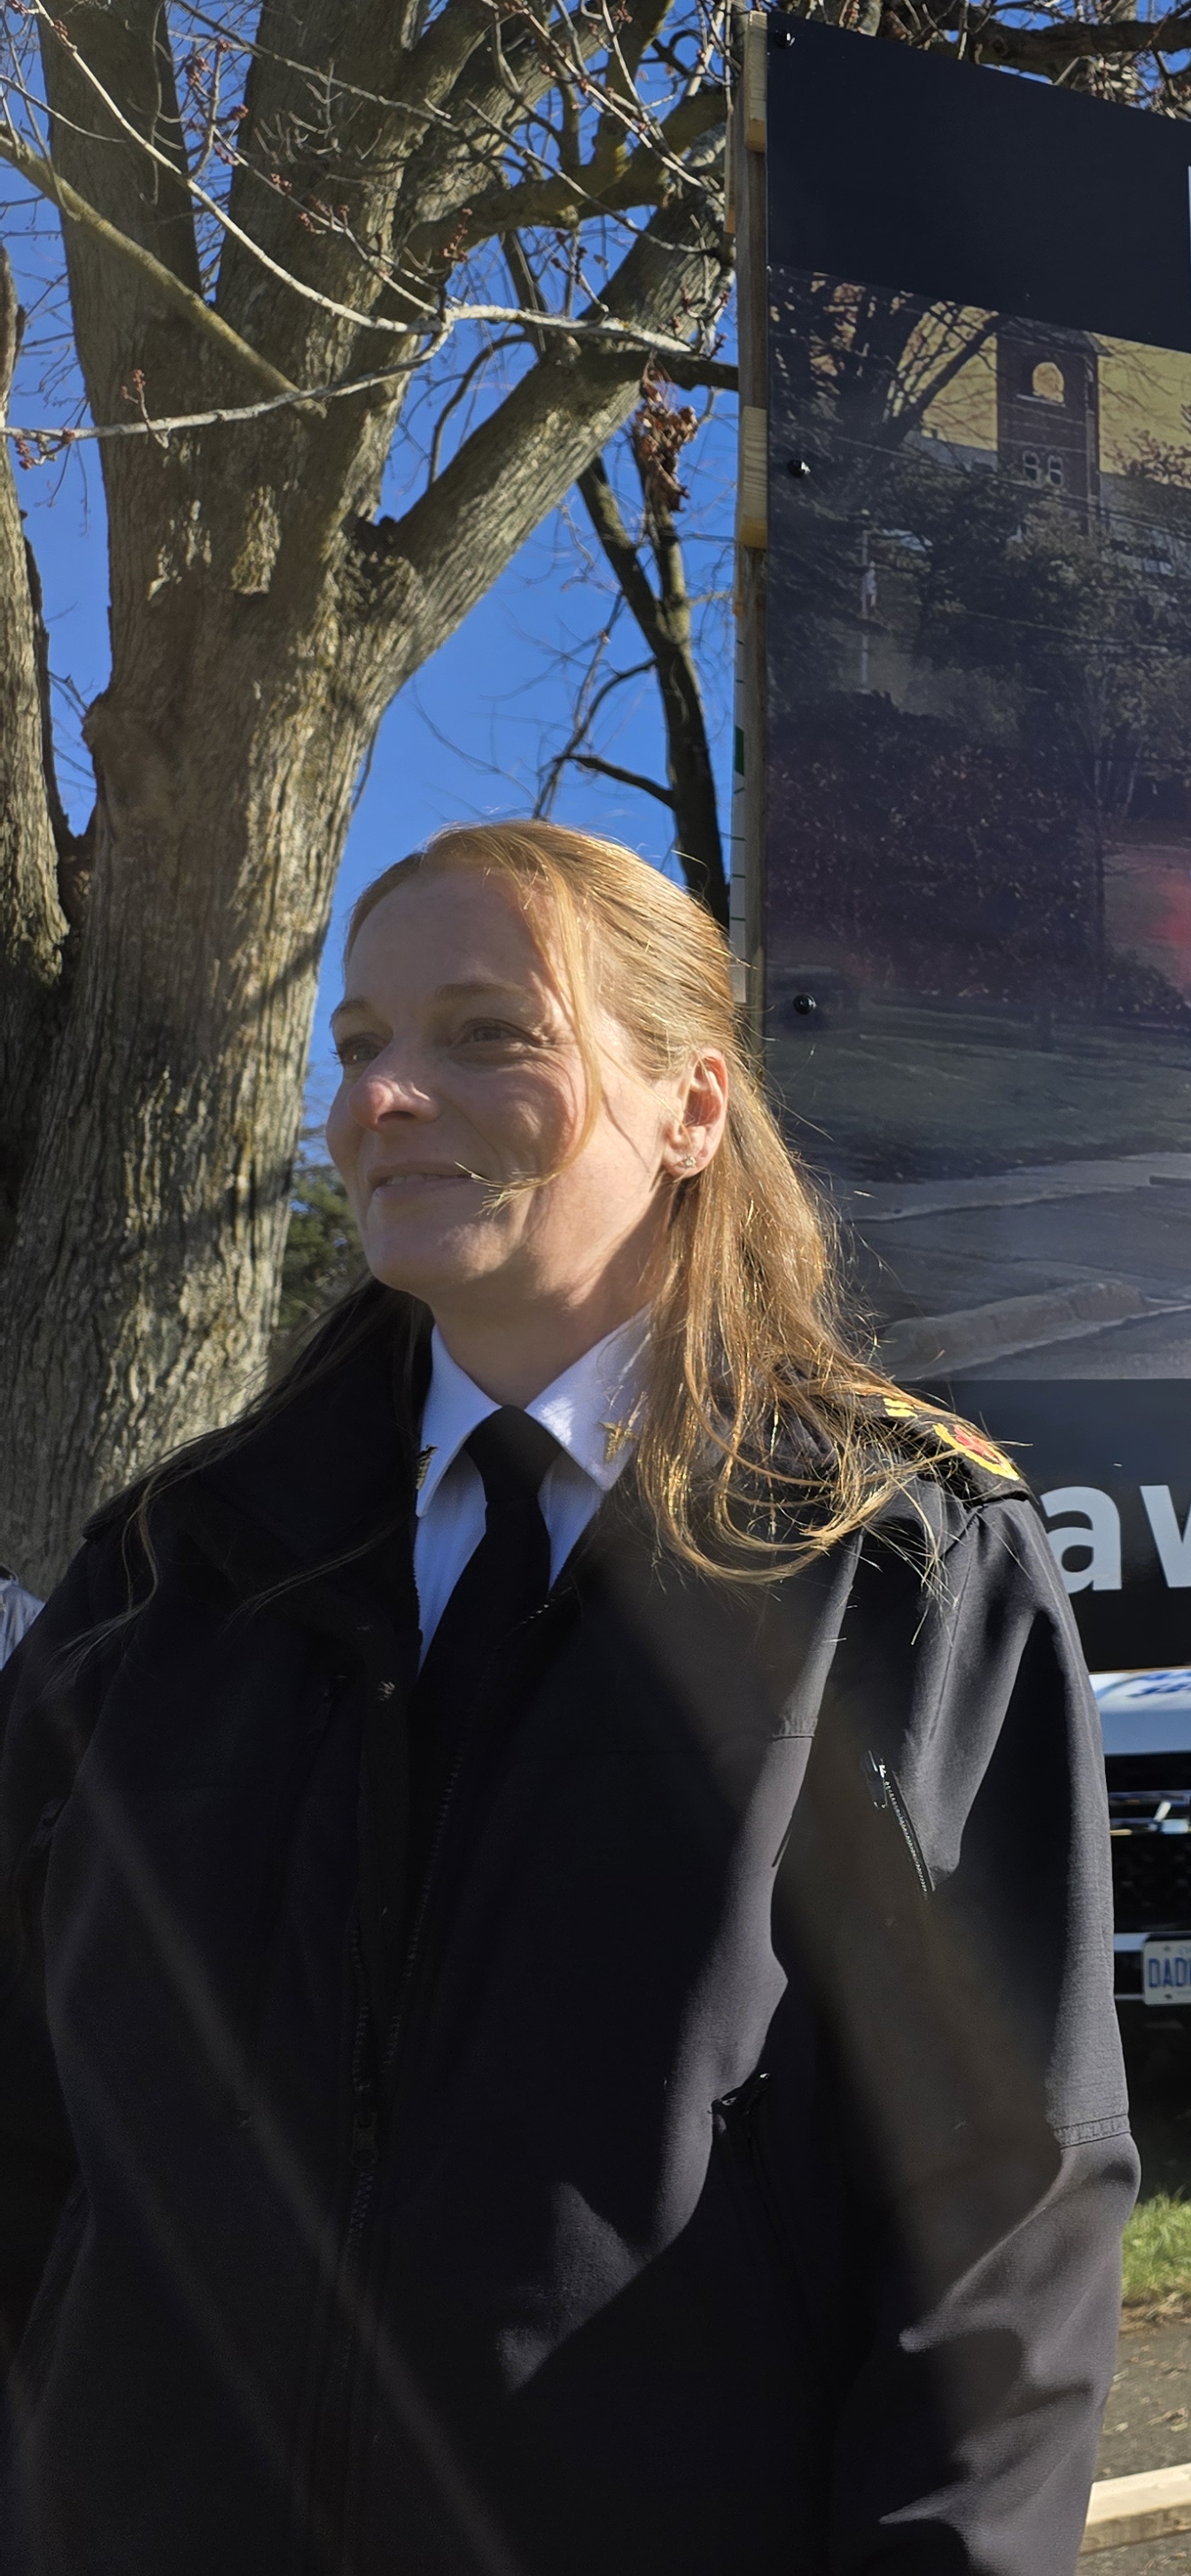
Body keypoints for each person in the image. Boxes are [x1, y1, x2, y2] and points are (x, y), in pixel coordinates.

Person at [0, 824, 1131, 2572]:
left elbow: (1001, 2222)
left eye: (483, 1033)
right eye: (362, 1045)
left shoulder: (894, 1571)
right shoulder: (168, 1577)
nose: (384, 1099)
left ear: (691, 1106)